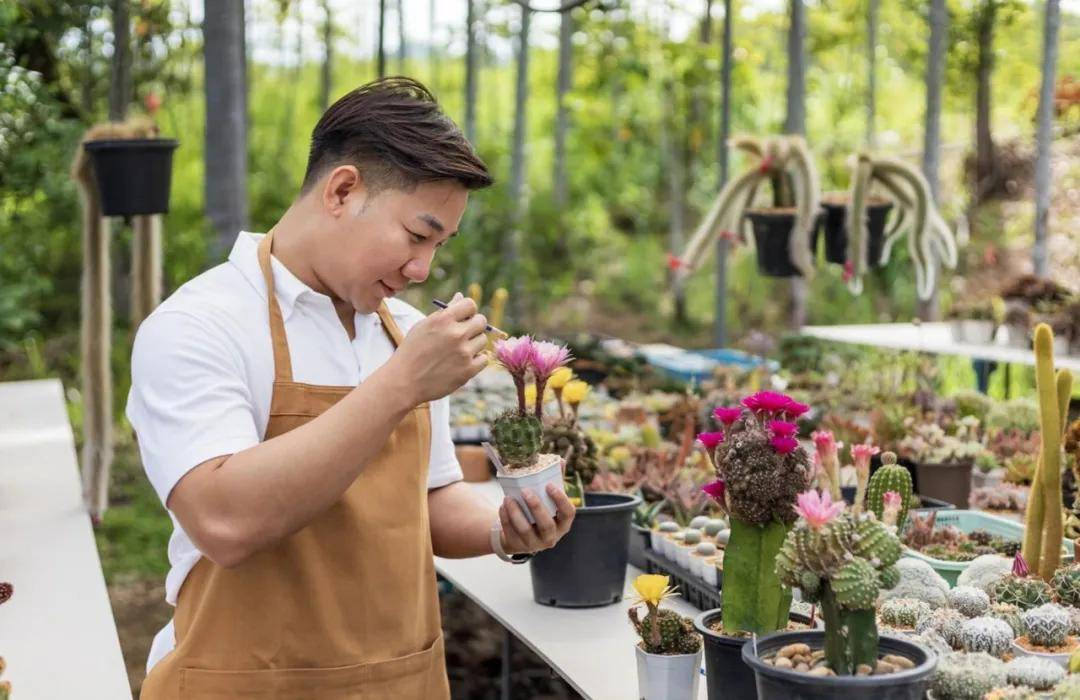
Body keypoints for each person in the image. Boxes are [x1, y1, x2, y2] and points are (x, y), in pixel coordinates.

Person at [129, 77, 576, 699]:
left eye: (439, 246)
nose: (423, 270)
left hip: (399, 681)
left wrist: (505, 530)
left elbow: (429, 500)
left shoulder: (406, 336)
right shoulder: (201, 324)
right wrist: (398, 386)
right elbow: (223, 520)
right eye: (417, 236)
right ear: (342, 190)